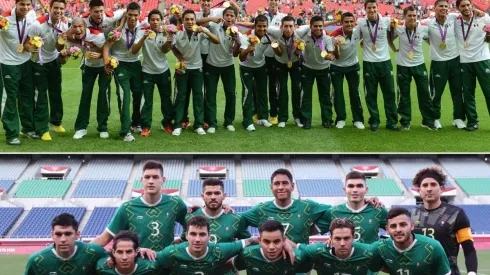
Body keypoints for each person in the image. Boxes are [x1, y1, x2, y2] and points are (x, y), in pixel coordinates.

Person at [92, 160, 188, 252]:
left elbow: (191, 225)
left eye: (155, 177)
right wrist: (82, 249)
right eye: (147, 177)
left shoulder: (175, 203)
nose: (151, 181)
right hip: (140, 264)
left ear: (163, 180)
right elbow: (105, 238)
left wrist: (182, 240)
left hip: (166, 263)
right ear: (142, 180)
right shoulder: (127, 207)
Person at [410, 167, 477, 275]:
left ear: (442, 189)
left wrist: (472, 273)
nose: (429, 189)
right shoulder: (411, 215)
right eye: (425, 185)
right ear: (419, 190)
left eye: (433, 184)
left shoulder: (456, 214)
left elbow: (468, 249)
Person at [241, 168, 331, 244]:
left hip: (300, 262)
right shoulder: (261, 209)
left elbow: (334, 212)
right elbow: (238, 219)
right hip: (272, 263)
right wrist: (249, 238)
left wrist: (321, 231)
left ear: (292, 186)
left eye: (285, 183)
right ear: (271, 187)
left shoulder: (307, 206)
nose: (280, 187)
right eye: (277, 184)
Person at [171, 9, 220, 136]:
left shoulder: (200, 31)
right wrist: (181, 59)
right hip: (182, 68)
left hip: (197, 68)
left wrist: (204, 31)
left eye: (192, 19)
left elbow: (216, 40)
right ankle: (178, 124)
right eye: (187, 19)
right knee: (180, 97)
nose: (189, 21)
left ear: (195, 20)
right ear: (182, 21)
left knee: (198, 97)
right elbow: (172, 47)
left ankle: (198, 124)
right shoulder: (177, 32)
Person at [155, 215, 259, 274]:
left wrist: (261, 240)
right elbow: (153, 261)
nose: (197, 239)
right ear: (186, 235)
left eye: (202, 234)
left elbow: (247, 241)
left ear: (209, 236)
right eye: (193, 234)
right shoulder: (172, 252)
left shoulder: (219, 250)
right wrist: (142, 249)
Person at [390, 6, 437, 130]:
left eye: (414, 15)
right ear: (404, 16)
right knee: (403, 95)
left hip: (419, 65)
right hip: (403, 66)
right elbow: (389, 38)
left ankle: (427, 120)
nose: (412, 18)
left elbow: (429, 41)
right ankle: (405, 121)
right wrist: (394, 48)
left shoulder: (423, 29)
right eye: (409, 15)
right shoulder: (398, 29)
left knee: (425, 94)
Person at [26, 0, 68, 141]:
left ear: (65, 9)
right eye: (55, 8)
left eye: (61, 8)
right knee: (41, 96)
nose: (58, 11)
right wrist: (31, 47)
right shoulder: (37, 24)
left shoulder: (64, 24)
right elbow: (27, 42)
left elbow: (58, 48)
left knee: (56, 93)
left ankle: (55, 122)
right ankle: (42, 129)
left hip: (54, 61)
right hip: (38, 63)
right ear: (49, 8)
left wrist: (62, 42)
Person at [422, 0, 466, 129]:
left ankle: (458, 118)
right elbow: (423, 36)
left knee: (458, 91)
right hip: (438, 63)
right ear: (434, 8)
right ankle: (434, 118)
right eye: (441, 6)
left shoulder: (453, 18)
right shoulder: (428, 23)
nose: (444, 8)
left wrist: (479, 11)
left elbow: (468, 11)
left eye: (446, 6)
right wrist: (434, 46)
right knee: (436, 93)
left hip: (455, 61)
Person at [102, 2, 143, 142]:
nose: (133, 18)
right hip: (120, 65)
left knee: (138, 94)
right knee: (124, 96)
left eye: (135, 15)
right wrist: (106, 62)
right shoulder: (118, 29)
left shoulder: (142, 27)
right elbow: (107, 45)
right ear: (126, 14)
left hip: (136, 64)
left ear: (139, 15)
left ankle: (136, 123)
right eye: (130, 15)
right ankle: (125, 131)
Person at [0, 0, 38, 145]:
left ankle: (27, 128)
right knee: (9, 99)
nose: (26, 7)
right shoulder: (4, 19)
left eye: (28, 4)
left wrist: (30, 45)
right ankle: (11, 134)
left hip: (26, 62)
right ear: (16, 4)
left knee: (27, 96)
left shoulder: (32, 15)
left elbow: (31, 35)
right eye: (22, 4)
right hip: (8, 64)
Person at [370, 208, 451, 275]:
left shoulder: (433, 247)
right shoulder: (380, 247)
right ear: (387, 229)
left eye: (403, 225)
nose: (398, 230)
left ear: (412, 226)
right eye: (393, 226)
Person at [132, 9, 174, 137]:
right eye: (153, 20)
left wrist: (168, 41)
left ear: (161, 21)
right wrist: (144, 37)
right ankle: (146, 126)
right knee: (147, 101)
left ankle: (166, 123)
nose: (155, 22)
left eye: (157, 19)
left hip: (163, 70)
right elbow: (134, 50)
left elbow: (165, 51)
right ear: (149, 21)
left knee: (166, 99)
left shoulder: (166, 32)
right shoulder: (142, 31)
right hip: (147, 71)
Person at [358, 0, 399, 131]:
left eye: (374, 7)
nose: (372, 10)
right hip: (369, 63)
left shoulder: (387, 21)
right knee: (371, 94)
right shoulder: (361, 22)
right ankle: (374, 120)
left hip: (385, 62)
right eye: (369, 7)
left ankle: (391, 121)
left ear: (377, 7)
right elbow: (354, 36)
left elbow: (392, 36)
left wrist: (393, 47)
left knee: (390, 93)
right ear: (365, 9)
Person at [317, 171, 388, 244]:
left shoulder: (378, 210)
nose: (355, 190)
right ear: (345, 190)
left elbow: (397, 231)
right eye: (351, 186)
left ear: (366, 190)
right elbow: (308, 231)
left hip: (371, 255)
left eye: (359, 186)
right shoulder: (332, 212)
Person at [67, 18, 109, 140]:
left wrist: (100, 54)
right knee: (85, 96)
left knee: (103, 95)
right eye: (75, 26)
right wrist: (70, 52)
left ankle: (103, 127)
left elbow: (108, 48)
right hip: (88, 67)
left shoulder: (98, 36)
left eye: (80, 26)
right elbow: (69, 49)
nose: (78, 29)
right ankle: (81, 128)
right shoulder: (72, 36)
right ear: (72, 27)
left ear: (85, 26)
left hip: (103, 67)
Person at [24, 213, 107, 274]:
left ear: (77, 235)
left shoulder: (95, 253)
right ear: (52, 235)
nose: (63, 239)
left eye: (68, 234)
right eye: (58, 234)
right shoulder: (36, 261)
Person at [202, 7, 242, 133]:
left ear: (235, 18)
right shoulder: (214, 26)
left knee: (231, 95)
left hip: (228, 67)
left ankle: (228, 122)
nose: (229, 18)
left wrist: (238, 44)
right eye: (227, 15)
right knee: (210, 96)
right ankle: (212, 123)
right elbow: (197, 23)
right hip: (211, 65)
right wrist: (211, 19)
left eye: (232, 16)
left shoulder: (237, 33)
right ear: (223, 16)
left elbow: (235, 55)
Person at [295, 218, 382, 274]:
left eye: (347, 238)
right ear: (331, 238)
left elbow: (388, 243)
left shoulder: (368, 251)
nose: (342, 243)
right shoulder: (318, 250)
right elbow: (296, 246)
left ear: (353, 237)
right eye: (337, 238)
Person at [455, 0, 490, 131]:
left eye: (468, 5)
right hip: (465, 62)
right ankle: (473, 121)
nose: (466, 8)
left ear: (472, 5)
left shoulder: (484, 17)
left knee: (489, 92)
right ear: (458, 8)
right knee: (468, 94)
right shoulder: (455, 21)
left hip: (483, 60)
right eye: (462, 6)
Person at [181, 178, 251, 243]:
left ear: (224, 196)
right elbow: (184, 243)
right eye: (209, 193)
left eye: (217, 193)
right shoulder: (189, 218)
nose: (213, 197)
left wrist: (235, 256)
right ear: (202, 196)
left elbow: (246, 245)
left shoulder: (237, 219)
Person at [232, 220, 313, 274]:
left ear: (284, 240)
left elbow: (312, 265)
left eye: (276, 241)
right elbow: (227, 265)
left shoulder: (297, 256)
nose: (271, 247)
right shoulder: (247, 254)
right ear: (259, 240)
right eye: (266, 241)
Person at [268, 16, 307, 128]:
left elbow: (319, 24)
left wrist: (335, 21)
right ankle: (283, 118)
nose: (288, 29)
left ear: (295, 27)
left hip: (295, 63)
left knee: (297, 90)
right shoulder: (275, 32)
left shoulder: (300, 32)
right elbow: (260, 26)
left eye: (291, 26)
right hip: (280, 63)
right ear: (281, 27)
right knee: (282, 90)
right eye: (286, 26)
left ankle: (297, 117)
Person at [298, 16, 335, 129]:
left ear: (323, 27)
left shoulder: (327, 38)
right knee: (306, 96)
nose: (318, 28)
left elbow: (332, 54)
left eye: (320, 26)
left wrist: (330, 57)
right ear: (310, 26)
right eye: (315, 26)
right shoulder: (304, 35)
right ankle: (306, 120)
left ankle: (327, 120)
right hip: (307, 68)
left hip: (323, 69)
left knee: (325, 96)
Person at [330, 12, 365, 129]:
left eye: (351, 21)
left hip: (353, 65)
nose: (349, 24)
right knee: (338, 93)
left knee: (355, 92)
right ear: (341, 23)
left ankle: (358, 119)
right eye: (346, 22)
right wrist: (336, 46)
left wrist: (362, 42)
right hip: (337, 66)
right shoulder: (335, 35)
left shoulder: (357, 31)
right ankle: (340, 118)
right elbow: (336, 56)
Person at [239, 15, 272, 131]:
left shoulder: (268, 36)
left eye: (264, 26)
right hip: (246, 67)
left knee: (262, 92)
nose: (262, 29)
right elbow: (241, 58)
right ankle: (247, 121)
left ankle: (263, 117)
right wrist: (248, 49)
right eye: (259, 26)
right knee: (248, 93)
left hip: (261, 67)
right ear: (255, 26)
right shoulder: (246, 36)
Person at [96, 231, 164, 274]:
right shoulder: (101, 268)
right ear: (113, 252)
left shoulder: (151, 268)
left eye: (129, 252)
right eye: (119, 252)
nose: (124, 257)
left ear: (137, 251)